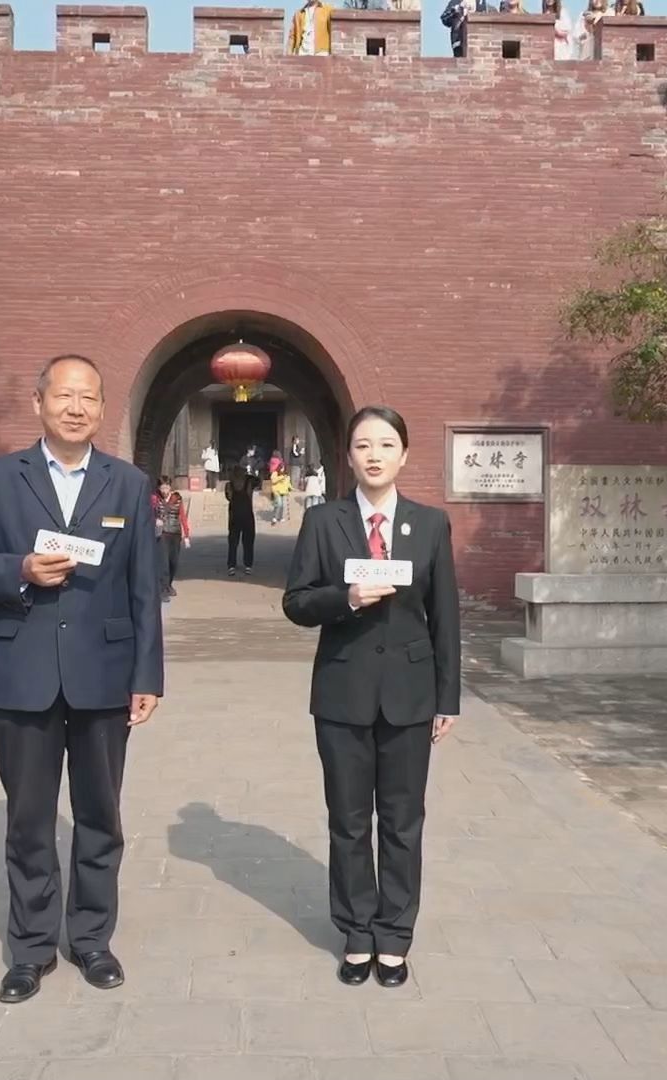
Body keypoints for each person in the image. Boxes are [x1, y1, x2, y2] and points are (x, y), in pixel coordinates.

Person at [0, 354, 164, 1005]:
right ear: (39, 402)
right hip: (23, 672)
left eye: (89, 398)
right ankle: (32, 947)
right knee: (29, 819)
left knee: (100, 815)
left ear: (102, 409)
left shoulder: (127, 483)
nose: (77, 408)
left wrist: (147, 675)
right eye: (64, 396)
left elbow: (142, 588)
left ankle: (92, 939)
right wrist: (19, 570)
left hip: (104, 674)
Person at [281, 405, 460, 990]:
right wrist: (347, 597)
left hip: (410, 696)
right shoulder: (323, 523)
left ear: (404, 455)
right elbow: (297, 603)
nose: (375, 455)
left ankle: (395, 935)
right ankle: (357, 932)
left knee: (404, 822)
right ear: (348, 456)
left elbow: (446, 619)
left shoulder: (429, 525)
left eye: (386, 444)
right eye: (363, 445)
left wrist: (448, 698)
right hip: (342, 692)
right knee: (349, 820)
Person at [153, 476, 191, 600]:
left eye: (166, 487)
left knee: (173, 562)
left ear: (170, 487)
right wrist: (155, 520)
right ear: (158, 488)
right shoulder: (154, 499)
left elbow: (182, 517)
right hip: (162, 534)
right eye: (162, 487)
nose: (164, 490)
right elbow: (147, 513)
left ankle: (168, 585)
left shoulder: (177, 499)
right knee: (163, 563)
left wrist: (186, 535)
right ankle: (163, 590)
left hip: (175, 534)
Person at [226, 466, 260, 576]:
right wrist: (250, 475)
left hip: (234, 516)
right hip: (247, 516)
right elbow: (259, 480)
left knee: (233, 542)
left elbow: (229, 498)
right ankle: (248, 565)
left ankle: (231, 565)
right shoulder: (248, 484)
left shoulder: (229, 485)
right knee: (248, 541)